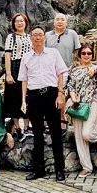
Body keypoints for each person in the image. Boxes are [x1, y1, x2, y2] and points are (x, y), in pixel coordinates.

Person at [19, 25, 68, 181]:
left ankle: (60, 169)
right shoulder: (26, 57)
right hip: (34, 96)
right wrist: (24, 101)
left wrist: (60, 94)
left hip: (51, 94)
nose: (38, 37)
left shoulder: (53, 53)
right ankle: (38, 169)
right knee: (37, 133)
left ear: (44, 37)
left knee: (55, 132)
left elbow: (61, 73)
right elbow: (24, 80)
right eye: (35, 35)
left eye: (40, 34)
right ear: (31, 38)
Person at [67, 44, 97, 178]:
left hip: (91, 102)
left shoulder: (96, 67)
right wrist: (73, 97)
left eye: (89, 53)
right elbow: (70, 86)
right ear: (79, 55)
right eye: (84, 53)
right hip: (78, 104)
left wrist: (93, 70)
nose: (86, 55)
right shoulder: (73, 70)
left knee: (87, 134)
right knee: (79, 136)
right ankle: (86, 167)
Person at [45, 13, 81, 133]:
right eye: (57, 19)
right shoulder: (47, 35)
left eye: (62, 20)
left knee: (60, 93)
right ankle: (49, 121)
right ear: (53, 22)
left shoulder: (72, 34)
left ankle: (62, 119)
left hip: (66, 69)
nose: (60, 22)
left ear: (66, 22)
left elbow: (77, 51)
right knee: (49, 95)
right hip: (49, 70)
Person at [3, 12, 33, 141]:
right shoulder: (11, 37)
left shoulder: (29, 37)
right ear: (14, 24)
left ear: (26, 23)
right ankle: (17, 127)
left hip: (28, 67)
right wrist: (8, 74)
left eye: (22, 21)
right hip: (15, 67)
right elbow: (7, 55)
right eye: (17, 21)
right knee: (14, 97)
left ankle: (27, 127)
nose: (19, 23)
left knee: (27, 96)